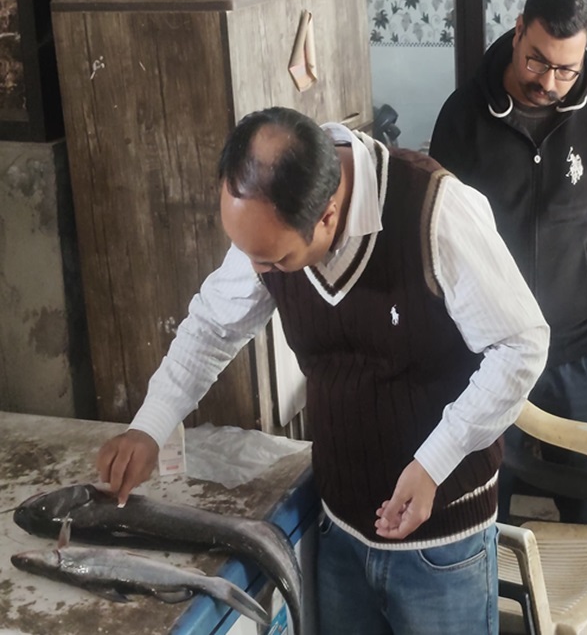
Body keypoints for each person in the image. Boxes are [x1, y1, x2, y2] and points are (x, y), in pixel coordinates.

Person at [95, 107, 549, 634]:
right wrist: (151, 424)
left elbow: (521, 345)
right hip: (340, 527)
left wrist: (434, 462)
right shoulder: (268, 224)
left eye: (274, 260)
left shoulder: (434, 210)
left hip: (443, 544)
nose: (257, 270)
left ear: (328, 216)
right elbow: (213, 326)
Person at [430, 0, 587, 524]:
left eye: (566, 69)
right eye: (536, 61)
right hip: (486, 358)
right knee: (481, 519)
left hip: (580, 359)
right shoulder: (463, 116)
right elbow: (434, 238)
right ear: (518, 29)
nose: (549, 82)